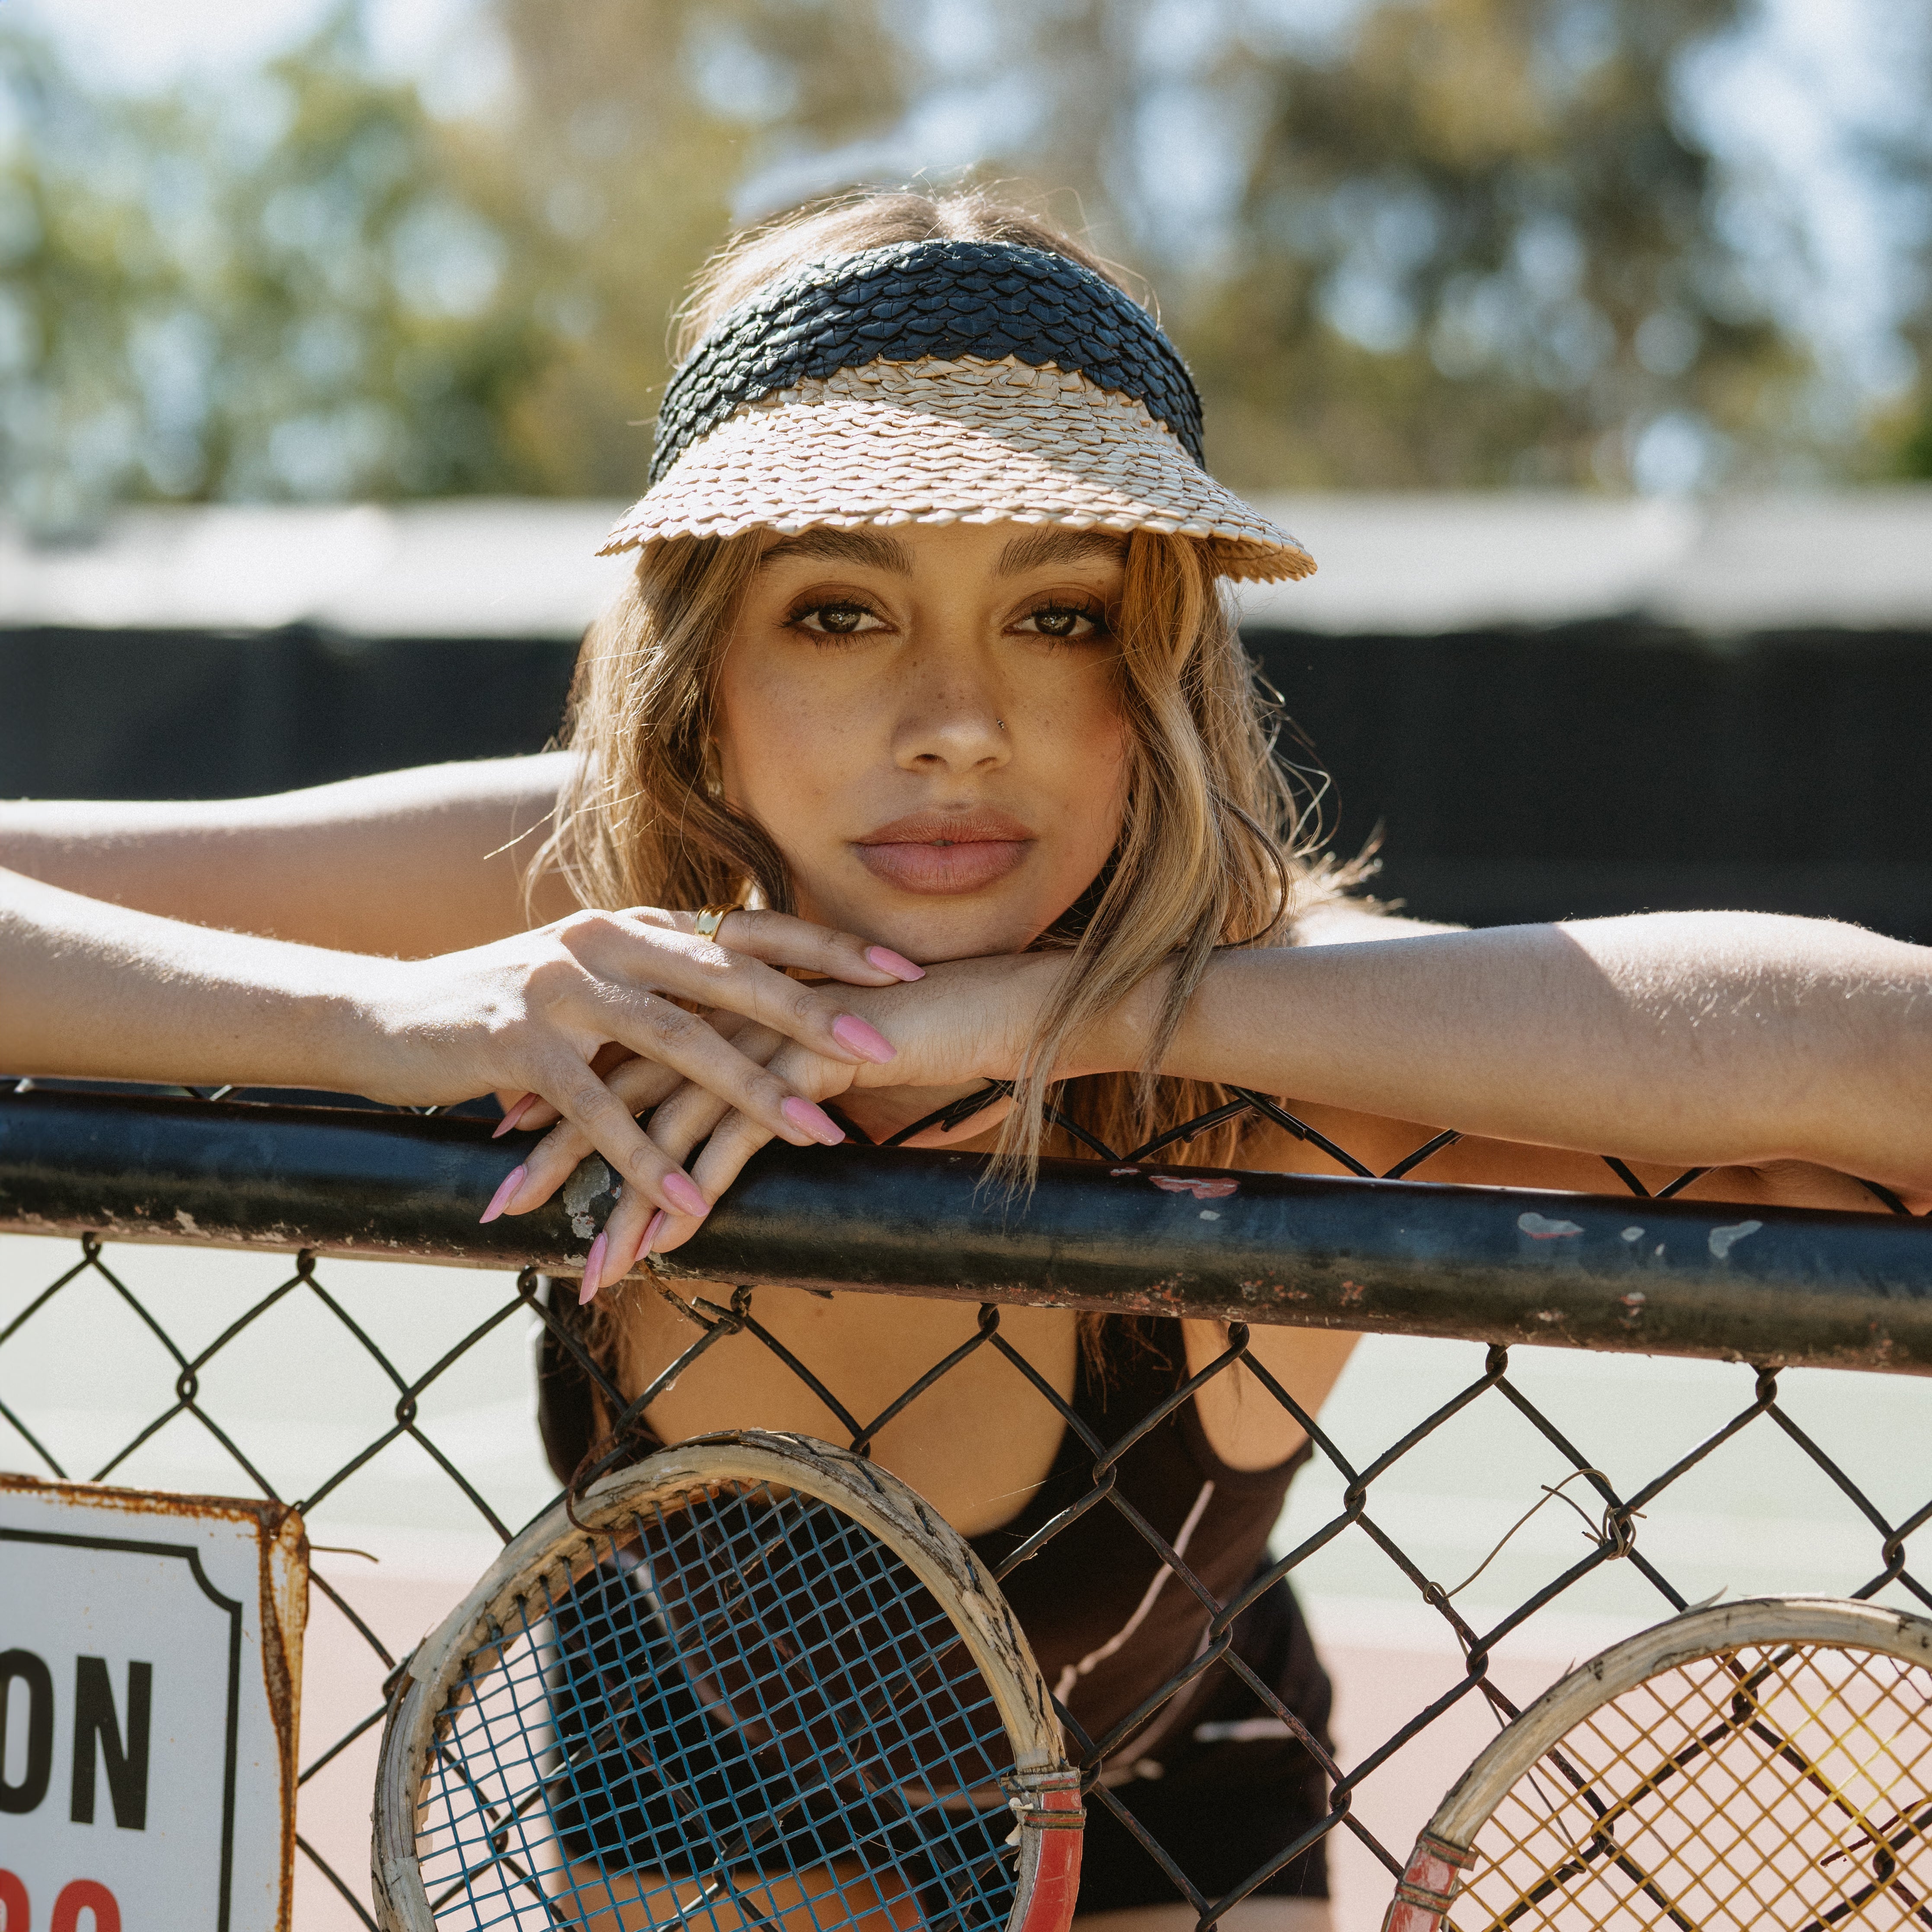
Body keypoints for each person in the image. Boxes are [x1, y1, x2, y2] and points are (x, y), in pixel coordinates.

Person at [3, 189, 1928, 1931]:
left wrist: (1082, 1007)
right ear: (703, 679)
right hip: (694, 1726)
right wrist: (380, 1018)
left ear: (1158, 671)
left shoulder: (1283, 1024)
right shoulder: (575, 886)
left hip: (1178, 1744)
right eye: (839, 609)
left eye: (1056, 613)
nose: (954, 723)